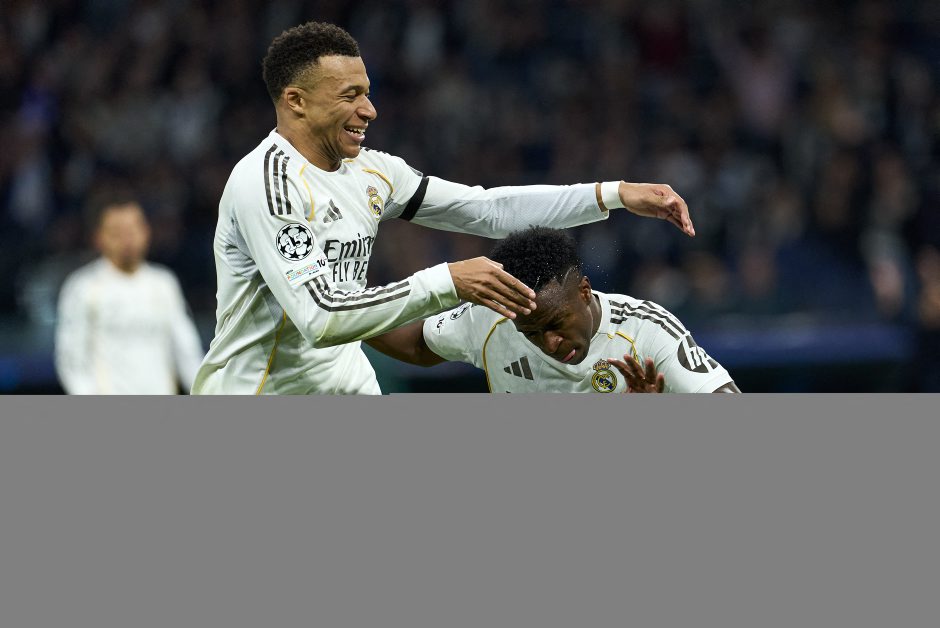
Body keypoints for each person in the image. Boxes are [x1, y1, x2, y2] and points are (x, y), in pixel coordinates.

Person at [192, 21, 696, 395]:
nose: (369, 110)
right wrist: (447, 281)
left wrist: (613, 193)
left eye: (367, 93)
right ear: (296, 101)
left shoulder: (373, 172)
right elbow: (320, 317)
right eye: (350, 96)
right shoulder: (269, 185)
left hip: (346, 388)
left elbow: (487, 211)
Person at [367, 227, 741, 393]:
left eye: (556, 323)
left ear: (584, 291)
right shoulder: (494, 317)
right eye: (530, 332)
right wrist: (343, 315)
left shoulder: (647, 331)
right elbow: (417, 345)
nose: (550, 343)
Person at [55, 199, 205, 394]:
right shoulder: (83, 287)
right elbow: (71, 361)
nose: (128, 239)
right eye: (117, 233)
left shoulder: (164, 284)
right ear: (99, 238)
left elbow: (187, 352)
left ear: (146, 232)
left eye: (133, 230)